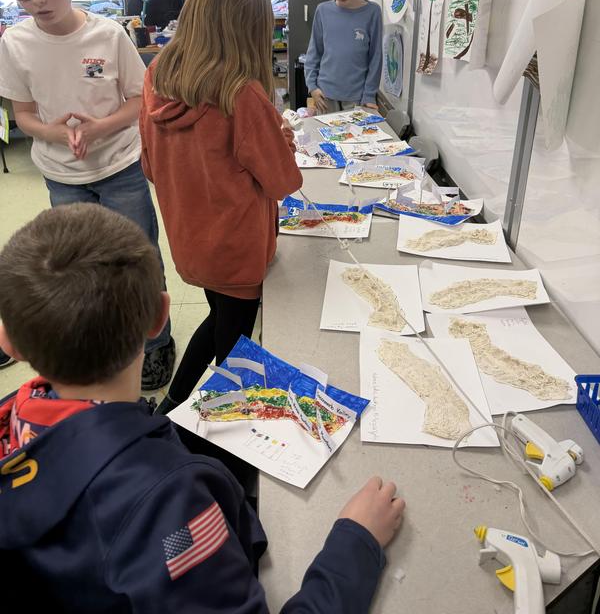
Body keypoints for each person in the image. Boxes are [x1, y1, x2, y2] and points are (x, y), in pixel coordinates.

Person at [0, 204, 406, 612]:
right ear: (161, 315)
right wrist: (356, 543)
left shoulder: (11, 422)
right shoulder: (171, 512)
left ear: (8, 342)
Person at [0, 0, 173, 390]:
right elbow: (25, 115)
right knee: (80, 270)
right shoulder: (15, 44)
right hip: (62, 174)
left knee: (140, 257)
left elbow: (140, 101)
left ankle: (156, 343)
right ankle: (100, 343)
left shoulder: (109, 35)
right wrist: (53, 133)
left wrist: (99, 128)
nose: (36, 1)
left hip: (119, 167)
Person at [140, 0, 302, 415]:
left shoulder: (157, 74)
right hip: (236, 250)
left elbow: (151, 165)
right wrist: (278, 142)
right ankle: (212, 441)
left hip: (191, 243)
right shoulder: (240, 92)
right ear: (251, 19)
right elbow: (283, 181)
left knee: (218, 320)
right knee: (236, 350)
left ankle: (169, 409)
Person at [304, 0, 383, 114]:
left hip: (357, 98)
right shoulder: (322, 11)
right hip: (325, 96)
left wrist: (369, 95)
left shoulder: (372, 12)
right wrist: (312, 87)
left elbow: (375, 57)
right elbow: (314, 53)